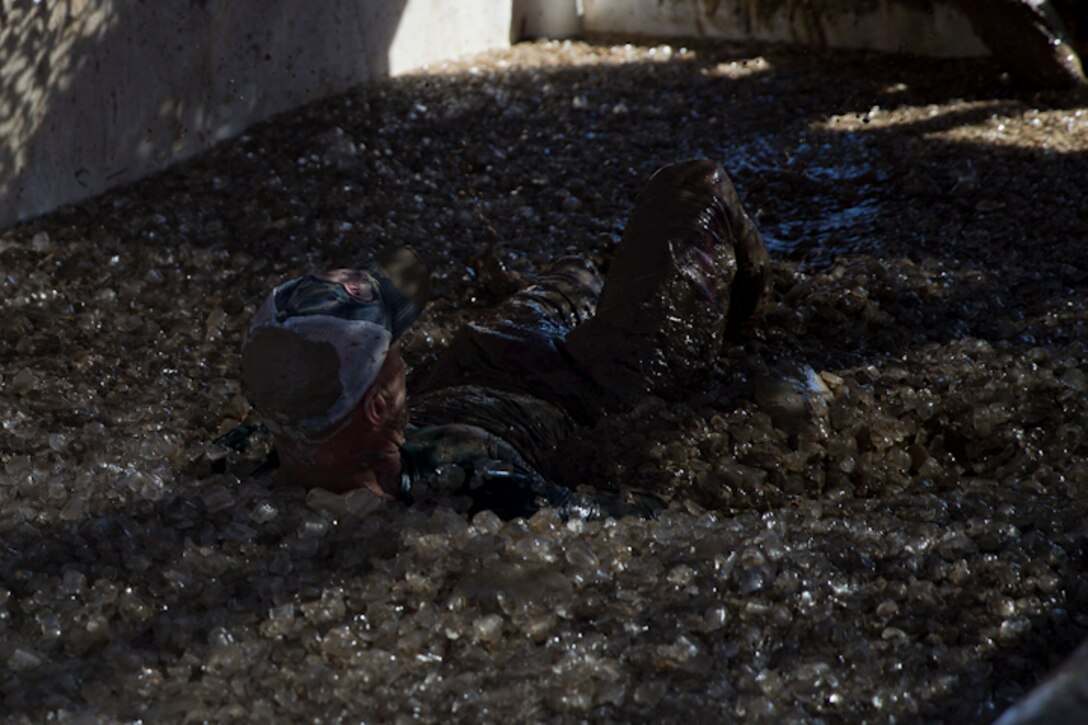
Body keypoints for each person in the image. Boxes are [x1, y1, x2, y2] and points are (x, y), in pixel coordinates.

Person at [234, 160, 770, 519]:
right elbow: (633, 520)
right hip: (595, 383)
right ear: (376, 405)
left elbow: (405, 272)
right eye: (395, 345)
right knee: (697, 186)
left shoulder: (252, 457)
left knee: (583, 272)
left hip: (492, 351)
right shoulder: (469, 477)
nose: (403, 347)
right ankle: (755, 316)